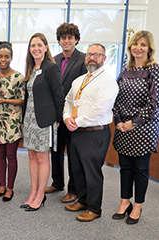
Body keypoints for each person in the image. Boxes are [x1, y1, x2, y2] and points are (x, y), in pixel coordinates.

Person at [64, 43, 118, 222]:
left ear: (104, 58)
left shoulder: (108, 81)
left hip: (95, 133)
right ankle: (83, 200)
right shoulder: (79, 80)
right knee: (77, 170)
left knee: (92, 172)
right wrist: (66, 118)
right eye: (89, 54)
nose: (92, 57)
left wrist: (76, 122)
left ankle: (94, 208)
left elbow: (99, 108)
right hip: (76, 131)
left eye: (96, 54)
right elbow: (68, 101)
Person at [112, 30, 159, 225]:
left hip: (143, 128)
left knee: (140, 169)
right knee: (125, 168)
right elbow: (115, 97)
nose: (138, 48)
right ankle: (125, 202)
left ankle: (138, 205)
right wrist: (120, 121)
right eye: (135, 44)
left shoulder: (154, 70)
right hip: (123, 127)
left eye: (143, 45)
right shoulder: (125, 70)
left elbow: (154, 104)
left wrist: (133, 123)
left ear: (149, 49)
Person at [20, 33, 64, 212]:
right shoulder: (31, 68)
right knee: (31, 155)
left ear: (46, 47)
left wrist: (58, 119)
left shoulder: (51, 68)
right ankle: (33, 193)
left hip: (45, 120)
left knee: (42, 157)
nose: (35, 48)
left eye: (39, 45)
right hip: (30, 119)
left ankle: (40, 195)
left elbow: (59, 95)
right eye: (32, 45)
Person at [46, 23, 87, 203]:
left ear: (76, 40)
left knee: (72, 154)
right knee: (55, 151)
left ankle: (73, 189)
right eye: (63, 38)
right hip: (56, 116)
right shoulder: (53, 60)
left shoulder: (84, 60)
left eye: (70, 37)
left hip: (72, 116)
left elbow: (86, 89)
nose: (66, 40)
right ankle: (57, 182)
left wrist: (75, 115)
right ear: (59, 40)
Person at [0, 41, 25, 202]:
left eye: (6, 56)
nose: (3, 59)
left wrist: (3, 100)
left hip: (12, 120)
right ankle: (1, 186)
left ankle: (10, 189)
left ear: (11, 57)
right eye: (0, 56)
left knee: (11, 155)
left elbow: (22, 99)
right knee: (0, 155)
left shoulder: (18, 77)